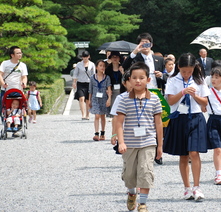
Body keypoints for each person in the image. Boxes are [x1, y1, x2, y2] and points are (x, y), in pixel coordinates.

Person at [114, 62, 163, 212]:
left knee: (146, 171)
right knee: (129, 174)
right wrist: (120, 142)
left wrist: (160, 145)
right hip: (129, 143)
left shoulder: (154, 99)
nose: (138, 80)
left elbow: (159, 123)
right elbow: (119, 122)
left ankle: (143, 203)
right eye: (134, 77)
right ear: (129, 79)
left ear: (148, 80)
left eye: (141, 77)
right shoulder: (124, 99)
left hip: (148, 142)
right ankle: (132, 193)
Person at [163, 53, 209, 201]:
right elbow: (170, 101)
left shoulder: (199, 80)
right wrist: (183, 91)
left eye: (189, 71)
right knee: (183, 155)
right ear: (179, 68)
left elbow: (205, 102)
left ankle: (197, 186)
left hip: (195, 117)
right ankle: (186, 187)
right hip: (179, 118)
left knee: (194, 152)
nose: (186, 74)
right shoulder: (172, 80)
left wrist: (194, 95)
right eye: (184, 71)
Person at [89, 59, 112, 141]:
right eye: (100, 66)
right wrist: (90, 100)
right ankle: (96, 133)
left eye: (103, 66)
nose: (102, 67)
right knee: (97, 115)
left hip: (104, 98)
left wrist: (109, 99)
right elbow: (90, 90)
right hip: (95, 98)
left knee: (103, 116)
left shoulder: (107, 78)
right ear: (96, 67)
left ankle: (102, 132)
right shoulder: (92, 78)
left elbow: (109, 88)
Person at [72, 51, 95, 120]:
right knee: (81, 98)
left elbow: (93, 75)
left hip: (89, 83)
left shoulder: (92, 64)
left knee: (88, 100)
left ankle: (88, 114)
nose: (85, 58)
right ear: (82, 57)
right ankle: (83, 114)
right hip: (80, 83)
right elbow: (75, 74)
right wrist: (74, 82)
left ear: (89, 57)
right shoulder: (79, 64)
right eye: (83, 57)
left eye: (86, 57)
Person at [105, 51, 125, 121]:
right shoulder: (108, 69)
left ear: (119, 58)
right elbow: (107, 80)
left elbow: (126, 79)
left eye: (117, 57)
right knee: (113, 102)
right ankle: (113, 116)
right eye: (113, 57)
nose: (115, 59)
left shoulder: (123, 67)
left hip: (122, 88)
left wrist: (122, 72)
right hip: (112, 88)